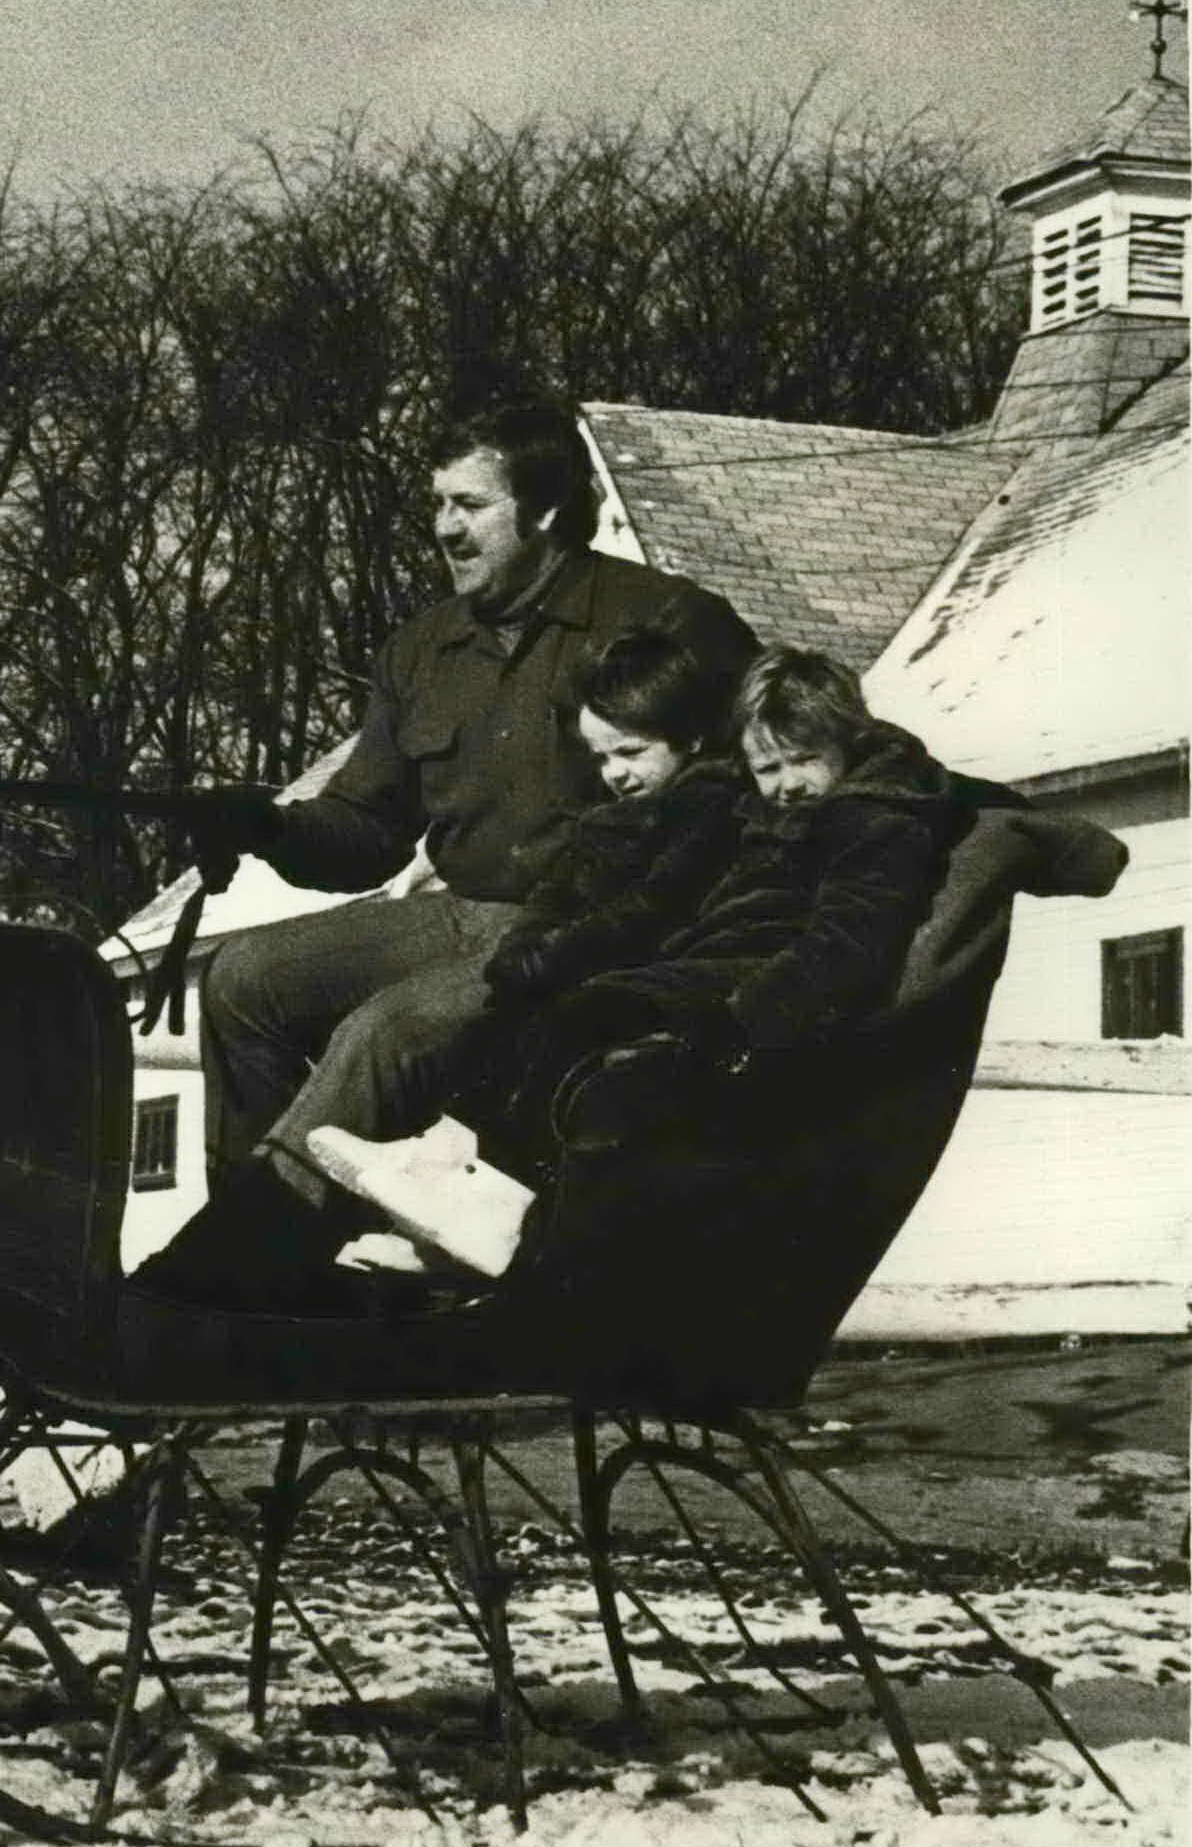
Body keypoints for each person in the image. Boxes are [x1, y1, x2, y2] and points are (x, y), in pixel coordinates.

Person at [136, 394, 760, 1307]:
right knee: (245, 978)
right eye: (436, 505)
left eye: (469, 505)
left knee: (394, 1028)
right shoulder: (422, 649)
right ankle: (290, 1253)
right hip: (458, 912)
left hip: (593, 932)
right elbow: (363, 836)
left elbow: (780, 752)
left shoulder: (664, 617)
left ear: (544, 510)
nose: (443, 528)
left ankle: (236, 1266)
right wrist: (268, 825)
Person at [309, 646, 956, 1275]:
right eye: (768, 768)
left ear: (847, 743)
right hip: (709, 964)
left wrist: (740, 1022)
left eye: (803, 761)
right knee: (537, 1016)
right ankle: (443, 1186)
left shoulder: (875, 818)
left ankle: (499, 1209)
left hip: (751, 986)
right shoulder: (772, 800)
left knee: (591, 1013)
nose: (785, 785)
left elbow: (842, 947)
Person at [306, 628, 748, 1275]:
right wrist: (524, 947)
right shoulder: (620, 814)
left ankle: (481, 1204)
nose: (616, 773)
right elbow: (558, 892)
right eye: (602, 758)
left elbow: (652, 907)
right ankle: (445, 1191)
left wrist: (552, 955)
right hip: (599, 969)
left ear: (692, 739)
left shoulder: (706, 806)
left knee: (544, 1030)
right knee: (497, 1018)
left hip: (658, 980)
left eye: (631, 752)